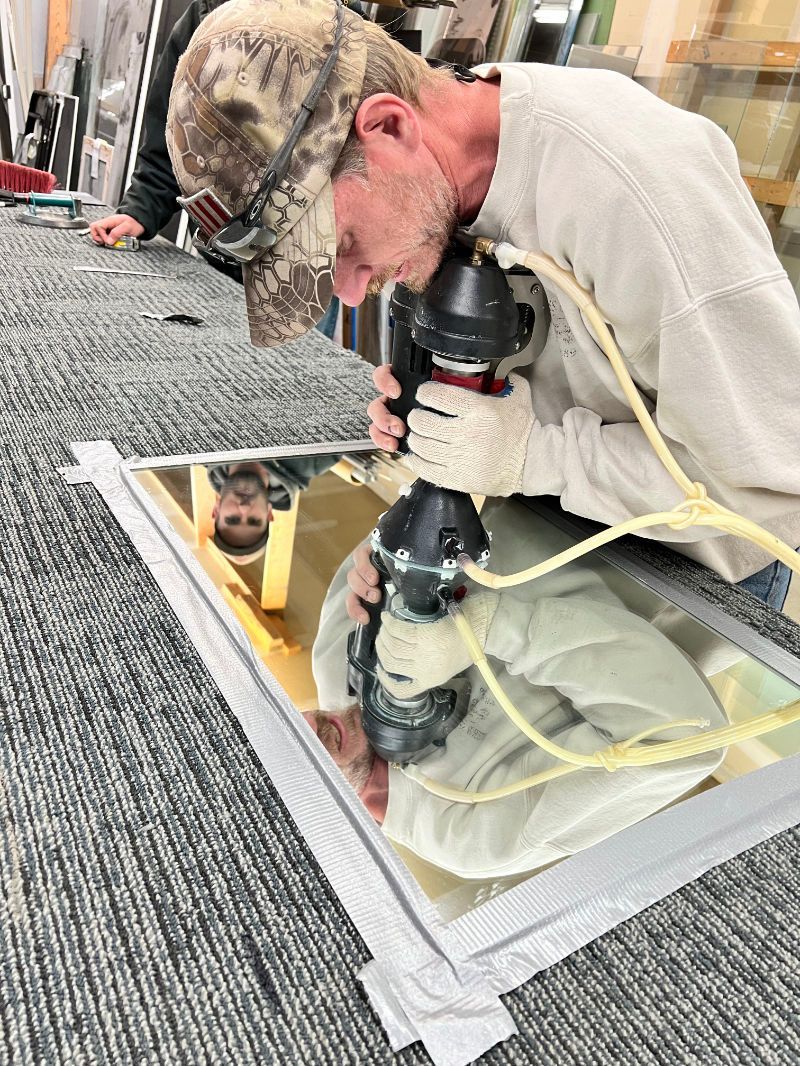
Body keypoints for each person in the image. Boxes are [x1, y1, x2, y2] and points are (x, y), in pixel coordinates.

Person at [164, 0, 800, 606]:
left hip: (694, 590)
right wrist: (444, 425)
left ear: (388, 124)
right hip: (555, 534)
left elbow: (773, 486)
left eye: (346, 244)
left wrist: (531, 456)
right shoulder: (436, 185)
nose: (352, 291)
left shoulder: (636, 192)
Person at [307, 498, 727, 878]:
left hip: (557, 482)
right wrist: (492, 628)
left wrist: (383, 556)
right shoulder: (468, 836)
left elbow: (423, 511)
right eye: (291, 778)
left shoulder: (333, 662)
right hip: (696, 553)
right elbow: (684, 739)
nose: (310, 732)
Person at [89, 0, 341, 335]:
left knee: (288, 380)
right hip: (219, 252)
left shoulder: (343, 29)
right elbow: (178, 129)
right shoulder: (208, 13)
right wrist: (141, 208)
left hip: (303, 268)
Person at [208, 455, 338, 562]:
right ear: (269, 512)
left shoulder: (201, 451)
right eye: (254, 520)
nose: (244, 508)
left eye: (233, 519)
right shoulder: (312, 461)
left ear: (216, 510)